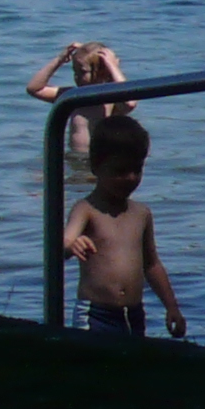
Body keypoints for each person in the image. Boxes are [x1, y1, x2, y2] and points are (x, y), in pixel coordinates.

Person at [63, 115, 185, 339]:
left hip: (134, 313)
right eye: (119, 171)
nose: (130, 178)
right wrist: (73, 244)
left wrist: (171, 307)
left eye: (136, 170)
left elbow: (152, 264)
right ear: (96, 167)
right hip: (95, 313)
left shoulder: (141, 213)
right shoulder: (87, 209)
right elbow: (64, 242)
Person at [27, 39, 133, 157]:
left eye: (82, 72)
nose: (76, 76)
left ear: (103, 72)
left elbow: (129, 102)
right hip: (76, 159)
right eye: (74, 71)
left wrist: (113, 66)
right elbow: (35, 89)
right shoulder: (73, 97)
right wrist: (59, 60)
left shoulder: (110, 97)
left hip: (101, 159)